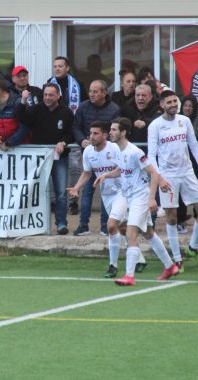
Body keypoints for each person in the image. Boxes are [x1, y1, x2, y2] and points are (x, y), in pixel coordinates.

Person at [96, 117, 179, 286]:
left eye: (113, 130)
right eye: (110, 129)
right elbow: (122, 169)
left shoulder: (135, 152)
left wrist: (150, 198)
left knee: (131, 232)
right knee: (148, 232)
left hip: (140, 197)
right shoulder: (119, 150)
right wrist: (106, 175)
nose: (110, 133)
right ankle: (170, 266)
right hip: (129, 196)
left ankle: (129, 275)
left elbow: (154, 173)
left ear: (123, 132)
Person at [68, 120, 145, 277]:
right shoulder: (88, 151)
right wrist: (76, 188)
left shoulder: (115, 148)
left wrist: (107, 174)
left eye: (96, 133)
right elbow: (87, 173)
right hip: (106, 194)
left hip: (121, 192)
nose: (92, 136)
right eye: (90, 133)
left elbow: (122, 167)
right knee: (122, 228)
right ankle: (140, 259)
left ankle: (113, 265)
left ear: (104, 135)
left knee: (110, 226)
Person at [148, 90, 198, 270]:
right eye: (169, 102)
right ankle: (177, 259)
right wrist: (159, 178)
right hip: (168, 175)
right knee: (172, 217)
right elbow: (151, 155)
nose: (174, 105)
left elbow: (194, 145)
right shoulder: (155, 126)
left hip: (188, 173)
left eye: (175, 101)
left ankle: (192, 248)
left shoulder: (185, 121)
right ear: (161, 105)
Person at [16, 82, 74, 234]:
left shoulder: (66, 112)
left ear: (58, 96)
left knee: (61, 192)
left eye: (51, 95)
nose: (47, 98)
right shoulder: (36, 110)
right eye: (45, 95)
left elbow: (71, 133)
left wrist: (63, 142)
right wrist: (22, 101)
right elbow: (21, 118)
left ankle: (61, 223)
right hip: (39, 158)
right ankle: (38, 224)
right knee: (38, 190)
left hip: (59, 158)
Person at [72, 80, 120, 236]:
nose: (91, 94)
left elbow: (117, 130)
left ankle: (106, 225)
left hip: (108, 159)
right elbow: (76, 127)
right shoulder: (83, 107)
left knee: (108, 192)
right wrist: (83, 141)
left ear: (104, 93)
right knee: (87, 192)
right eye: (90, 91)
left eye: (95, 91)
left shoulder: (114, 109)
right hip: (91, 156)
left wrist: (106, 143)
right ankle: (83, 225)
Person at [49, 56, 88, 216]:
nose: (57, 69)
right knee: (54, 169)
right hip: (55, 135)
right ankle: (54, 201)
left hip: (72, 132)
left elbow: (84, 107)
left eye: (60, 66)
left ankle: (73, 200)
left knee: (74, 168)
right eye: (55, 66)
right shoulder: (49, 83)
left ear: (67, 68)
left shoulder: (77, 85)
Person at [177, 94, 198, 233]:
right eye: (185, 105)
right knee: (180, 189)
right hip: (182, 158)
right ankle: (180, 220)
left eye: (190, 106)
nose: (188, 108)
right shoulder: (177, 119)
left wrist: (190, 135)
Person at [0, 76, 29, 151]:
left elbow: (24, 128)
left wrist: (8, 143)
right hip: (2, 149)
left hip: (21, 150)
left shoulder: (18, 102)